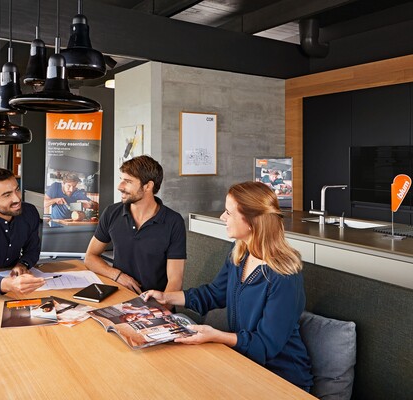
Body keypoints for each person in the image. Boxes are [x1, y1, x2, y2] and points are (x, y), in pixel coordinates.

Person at [142, 181, 313, 391]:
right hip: (244, 363)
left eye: (229, 213)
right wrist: (167, 297)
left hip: (282, 379)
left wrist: (216, 336)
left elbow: (265, 345)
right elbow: (214, 294)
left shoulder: (284, 277)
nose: (223, 217)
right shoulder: (240, 253)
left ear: (251, 222)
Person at [84, 155, 186, 294]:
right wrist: (117, 275)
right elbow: (90, 257)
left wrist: (161, 305)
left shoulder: (173, 221)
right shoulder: (111, 212)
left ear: (148, 186)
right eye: (121, 180)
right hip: (118, 297)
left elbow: (175, 280)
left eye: (128, 181)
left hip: (155, 301)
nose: (120, 187)